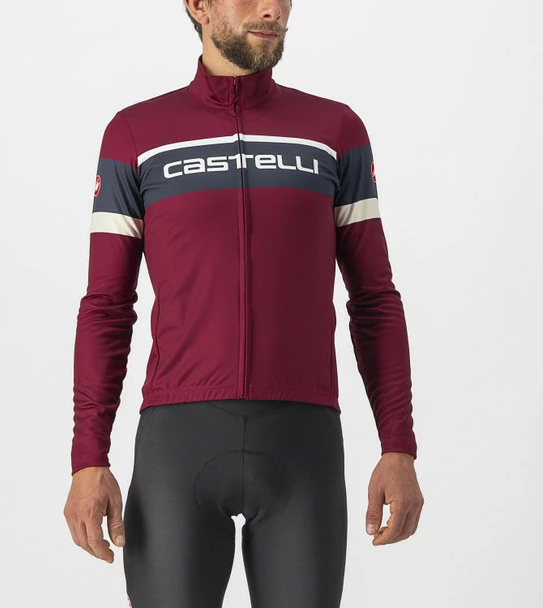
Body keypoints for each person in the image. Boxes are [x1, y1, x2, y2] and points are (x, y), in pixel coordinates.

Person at [63, 1, 424, 606]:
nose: (273, 8)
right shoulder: (135, 135)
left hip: (303, 445)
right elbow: (107, 305)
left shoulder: (334, 132)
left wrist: (399, 447)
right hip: (178, 444)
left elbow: (374, 299)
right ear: (198, 5)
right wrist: (87, 458)